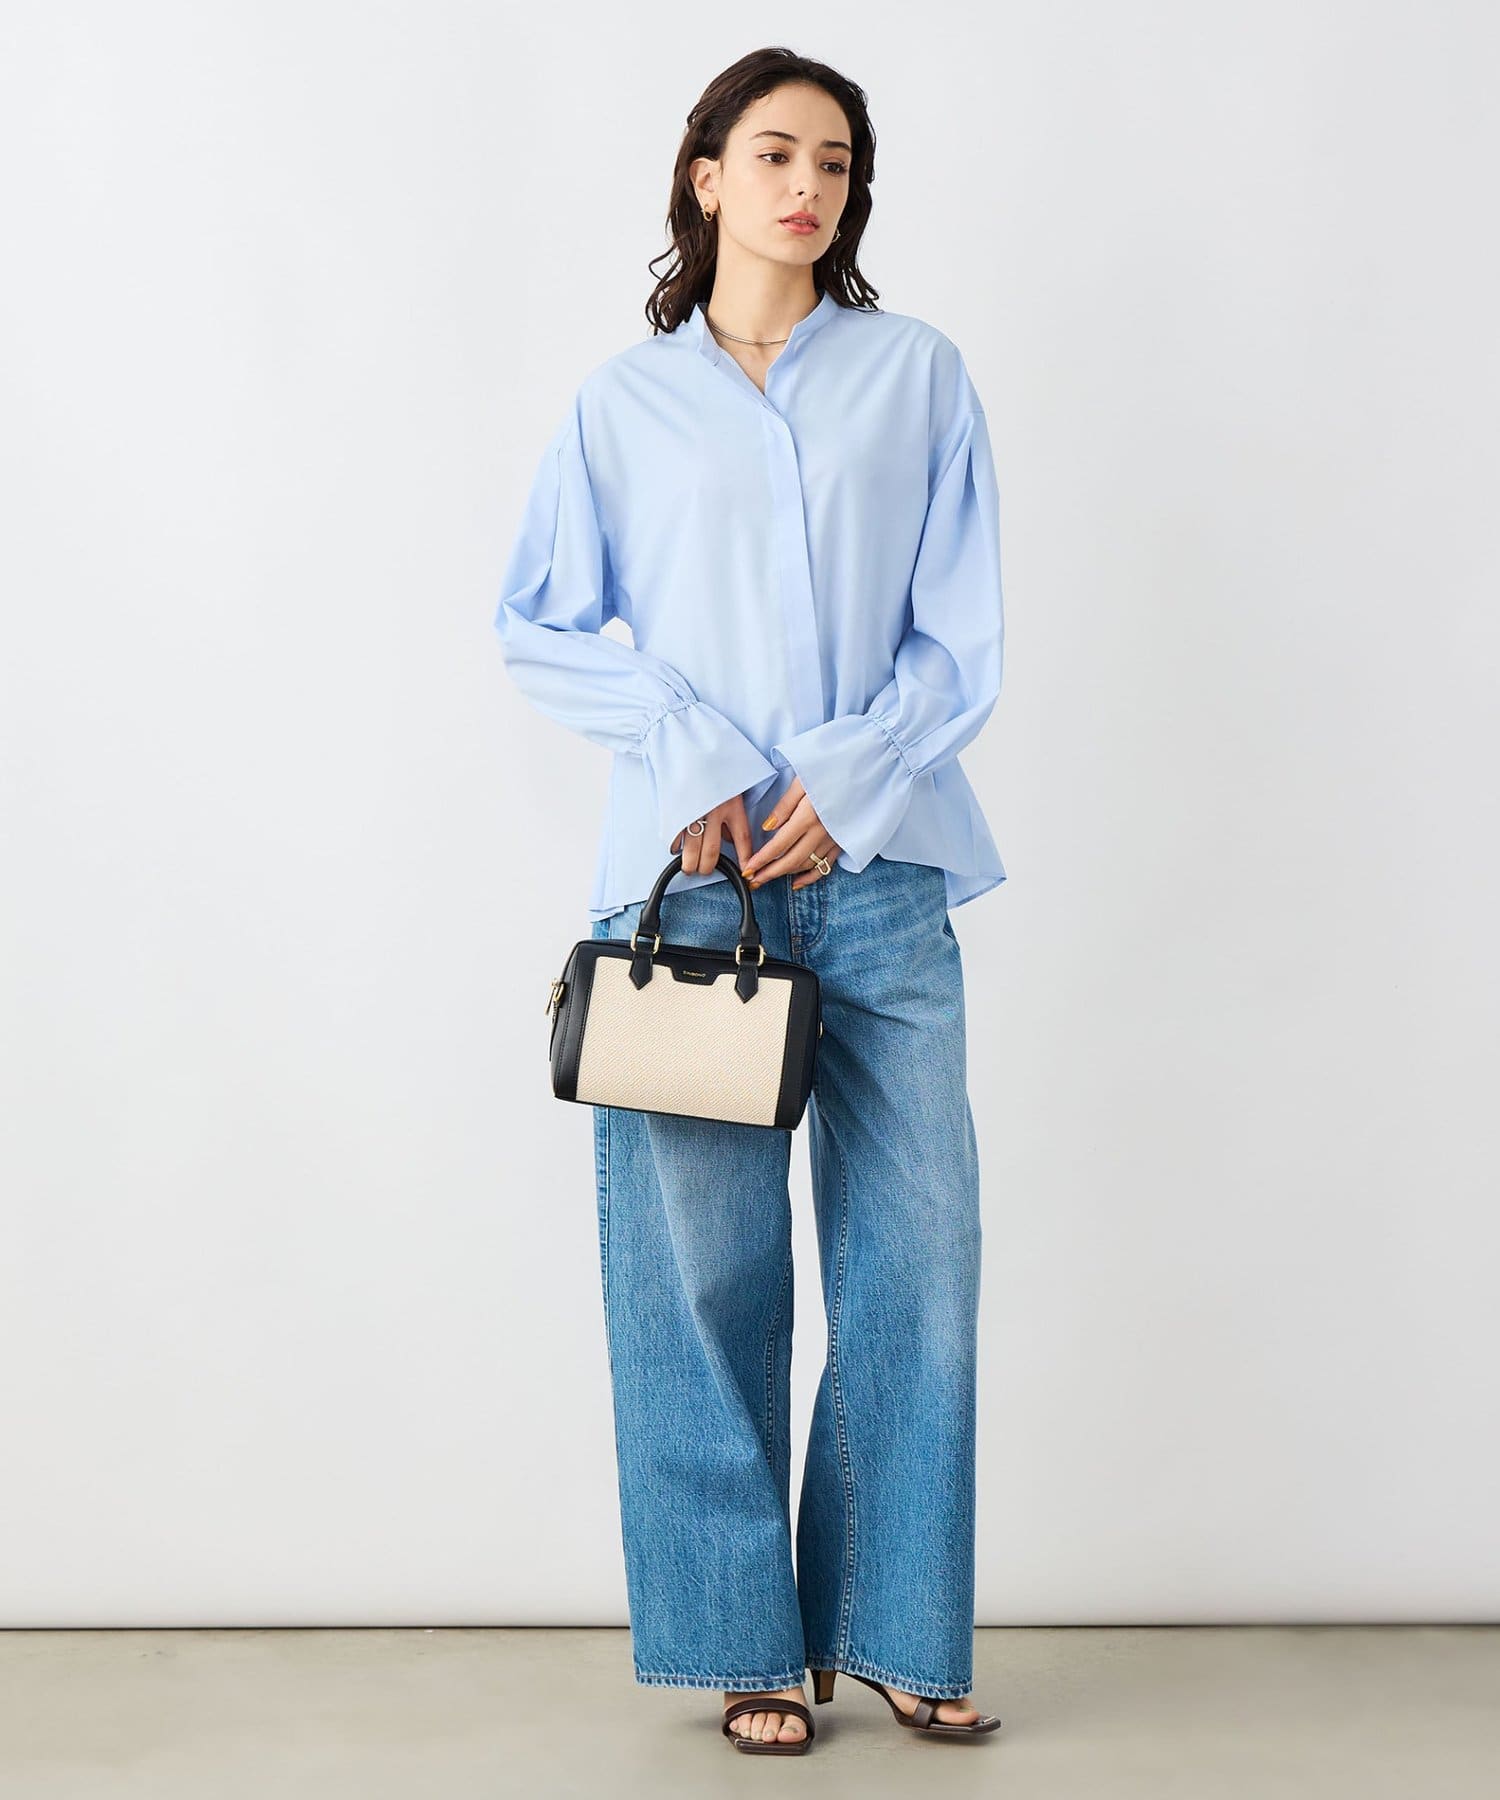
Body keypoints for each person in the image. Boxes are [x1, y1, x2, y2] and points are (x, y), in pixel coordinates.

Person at [494, 46, 1006, 1756]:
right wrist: (691, 747)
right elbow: (535, 624)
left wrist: (847, 782)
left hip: (880, 877)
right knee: (698, 1279)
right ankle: (741, 1643)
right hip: (693, 902)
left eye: (836, 163)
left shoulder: (918, 376)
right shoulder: (618, 407)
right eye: (775, 153)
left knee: (919, 1258)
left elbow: (960, 636)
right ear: (706, 175)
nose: (808, 186)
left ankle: (898, 1627)